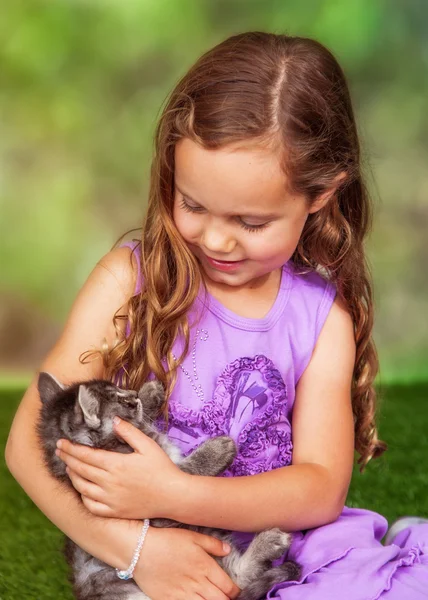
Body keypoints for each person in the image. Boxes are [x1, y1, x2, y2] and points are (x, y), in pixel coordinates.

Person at [5, 31, 428, 600]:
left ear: (322, 194)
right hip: (147, 544)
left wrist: (174, 493)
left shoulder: (322, 318)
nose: (215, 239)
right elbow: (27, 446)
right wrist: (136, 550)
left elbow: (320, 489)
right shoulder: (127, 282)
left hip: (282, 537)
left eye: (250, 222)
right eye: (193, 205)